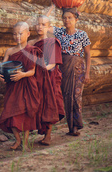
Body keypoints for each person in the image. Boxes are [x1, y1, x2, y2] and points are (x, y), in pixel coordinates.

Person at [0, 22, 40, 150]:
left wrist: (22, 75)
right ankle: (17, 140)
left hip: (26, 85)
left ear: (28, 34)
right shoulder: (9, 51)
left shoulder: (31, 50)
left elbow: (32, 71)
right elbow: (1, 67)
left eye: (20, 33)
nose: (17, 36)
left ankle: (25, 143)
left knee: (25, 114)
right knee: (10, 111)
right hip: (12, 86)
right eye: (14, 34)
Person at [52, 7, 91, 136]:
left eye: (69, 18)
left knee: (76, 97)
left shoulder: (82, 34)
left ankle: (77, 125)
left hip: (78, 69)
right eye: (64, 18)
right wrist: (52, 7)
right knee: (67, 96)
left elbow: (88, 54)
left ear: (76, 19)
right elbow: (43, 24)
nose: (66, 20)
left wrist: (87, 73)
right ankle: (71, 127)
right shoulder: (59, 32)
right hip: (64, 68)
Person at [28, 15, 64, 145]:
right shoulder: (32, 43)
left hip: (50, 76)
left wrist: (42, 70)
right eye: (38, 24)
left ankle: (48, 135)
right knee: (38, 103)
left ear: (49, 27)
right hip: (36, 77)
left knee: (49, 103)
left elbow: (53, 63)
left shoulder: (52, 42)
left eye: (43, 24)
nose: (40, 27)